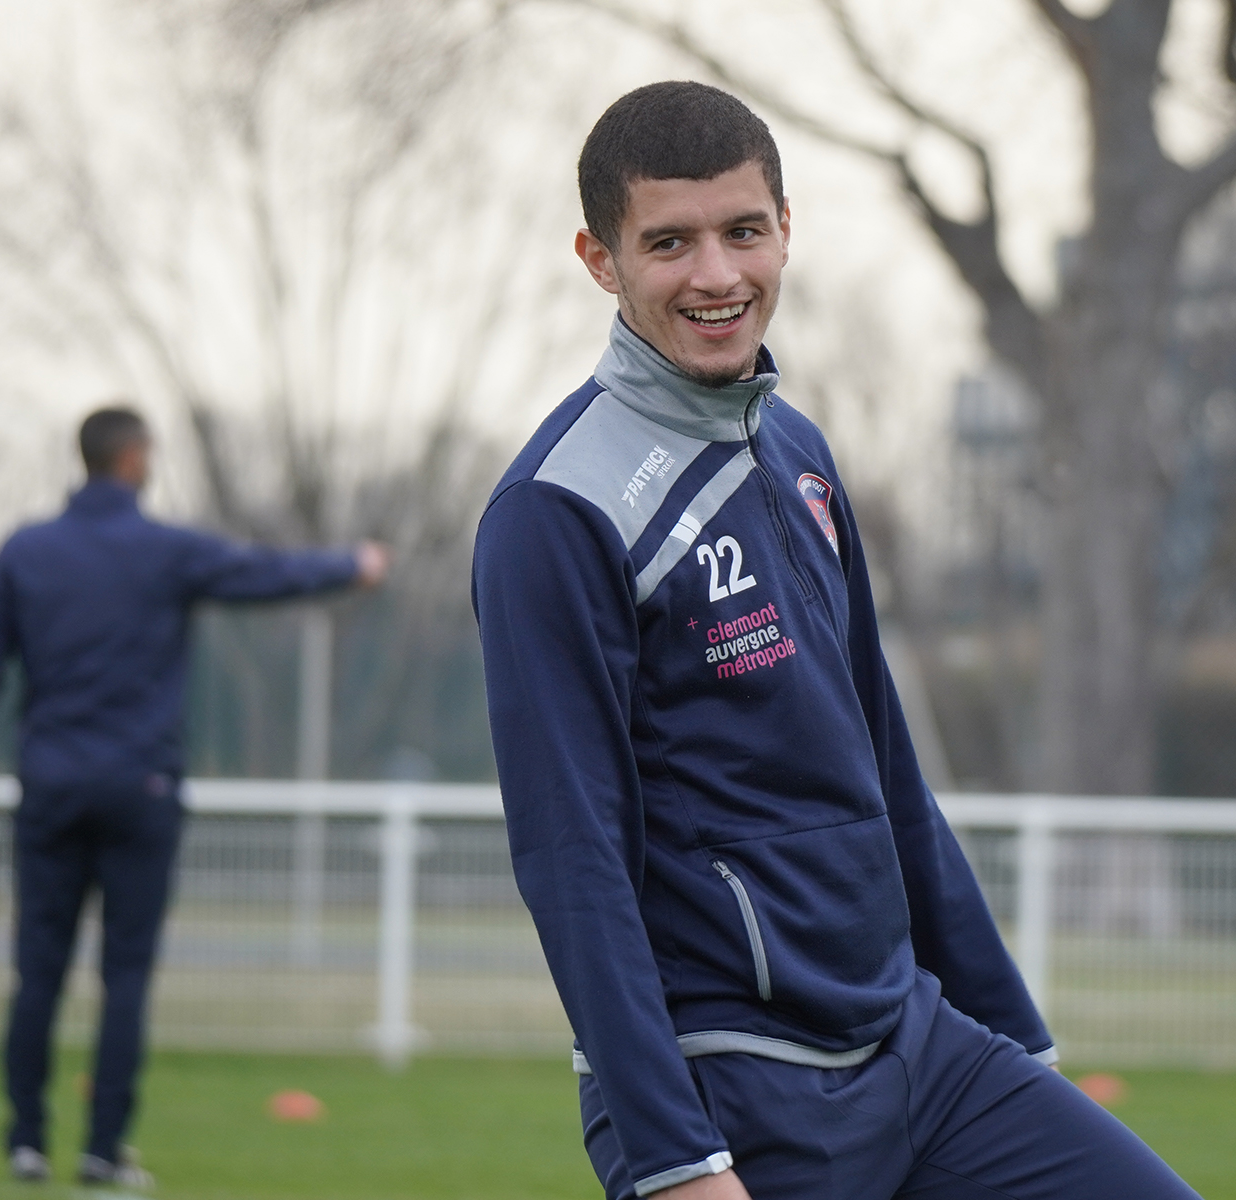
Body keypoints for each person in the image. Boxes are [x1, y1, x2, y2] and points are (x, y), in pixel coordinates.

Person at [473, 82, 1199, 1200]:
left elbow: (888, 775)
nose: (715, 275)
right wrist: (674, 1159)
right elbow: (574, 860)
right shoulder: (557, 512)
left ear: (785, 229)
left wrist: (1013, 1039)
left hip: (920, 1047)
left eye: (742, 231)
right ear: (600, 258)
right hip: (738, 1084)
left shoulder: (796, 453)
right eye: (668, 242)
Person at [0, 406, 390, 1188]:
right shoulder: (164, 550)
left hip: (52, 785)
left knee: (37, 972)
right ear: (134, 460)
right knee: (125, 975)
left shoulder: (25, 552)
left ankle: (26, 1140)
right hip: (141, 788)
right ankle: (101, 1150)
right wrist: (351, 565)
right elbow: (263, 576)